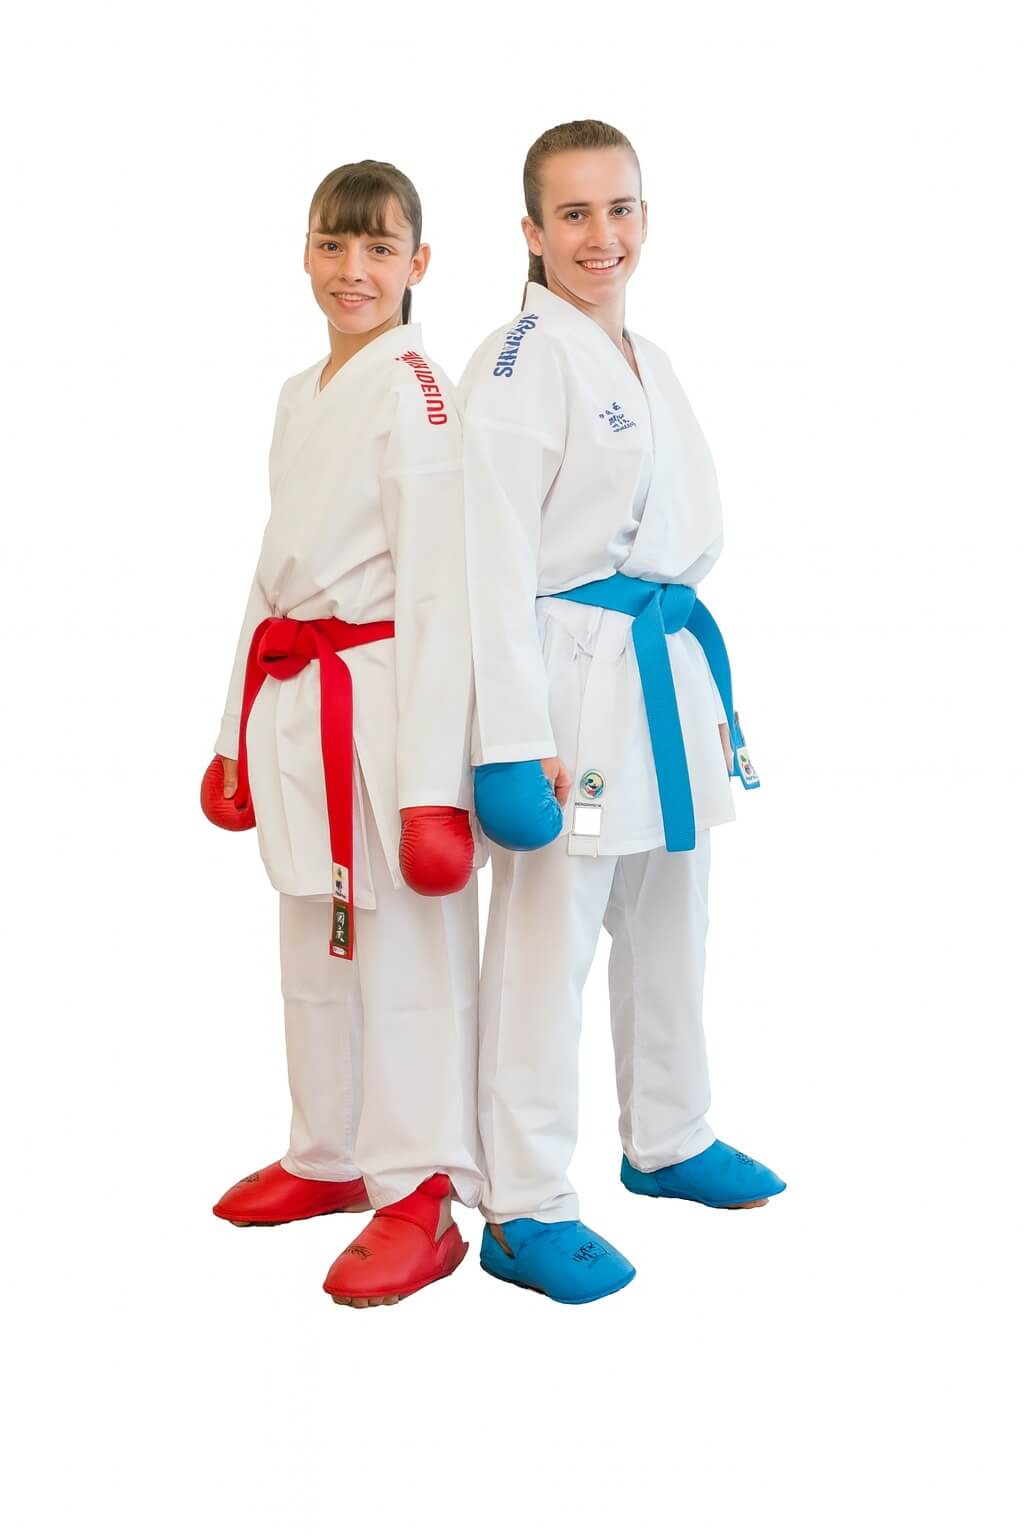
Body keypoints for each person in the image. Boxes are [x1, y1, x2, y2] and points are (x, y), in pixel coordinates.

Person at [459, 119, 785, 1306]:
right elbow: (487, 561)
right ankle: (524, 1204)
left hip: (659, 677)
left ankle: (669, 1135)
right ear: (533, 232)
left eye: (621, 208)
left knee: (668, 914)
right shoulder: (517, 361)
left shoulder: (647, 355)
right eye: (576, 214)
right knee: (549, 941)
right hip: (574, 696)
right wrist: (510, 742)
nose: (603, 235)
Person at [201, 160, 483, 1307]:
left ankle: (419, 1189)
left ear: (420, 263)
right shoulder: (296, 392)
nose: (352, 270)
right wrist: (230, 732)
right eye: (333, 244)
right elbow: (272, 575)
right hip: (298, 696)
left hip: (380, 708)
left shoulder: (419, 390)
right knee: (313, 946)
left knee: (407, 955)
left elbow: (442, 594)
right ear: (307, 253)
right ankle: (329, 1153)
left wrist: (432, 787)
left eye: (378, 248)